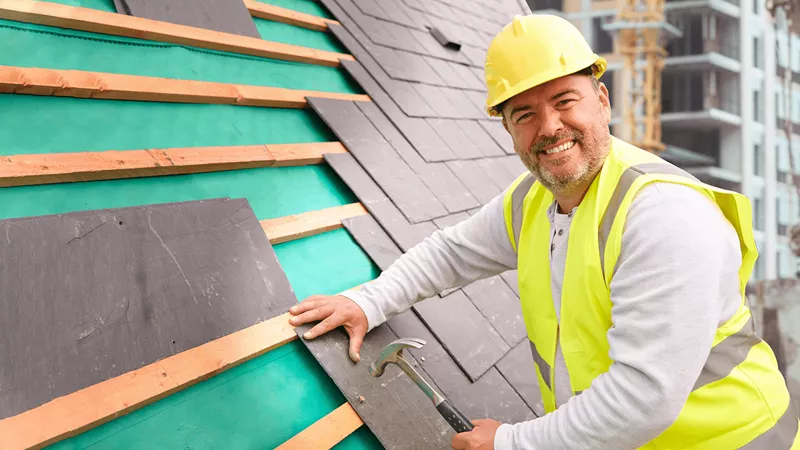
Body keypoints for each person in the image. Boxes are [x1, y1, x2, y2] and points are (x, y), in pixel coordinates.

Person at [288, 13, 798, 450]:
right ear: (508, 131)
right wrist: (367, 302)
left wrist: (512, 441)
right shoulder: (534, 201)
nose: (549, 127)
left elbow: (644, 396)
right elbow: (451, 253)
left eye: (564, 100)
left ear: (601, 99)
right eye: (525, 114)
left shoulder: (662, 214)